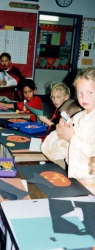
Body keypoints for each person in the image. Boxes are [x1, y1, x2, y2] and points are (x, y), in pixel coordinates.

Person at [42, 67, 95, 195]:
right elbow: (53, 153)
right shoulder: (77, 117)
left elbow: (91, 152)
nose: (84, 98)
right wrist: (60, 132)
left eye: (90, 92)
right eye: (80, 93)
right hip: (76, 181)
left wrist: (72, 138)